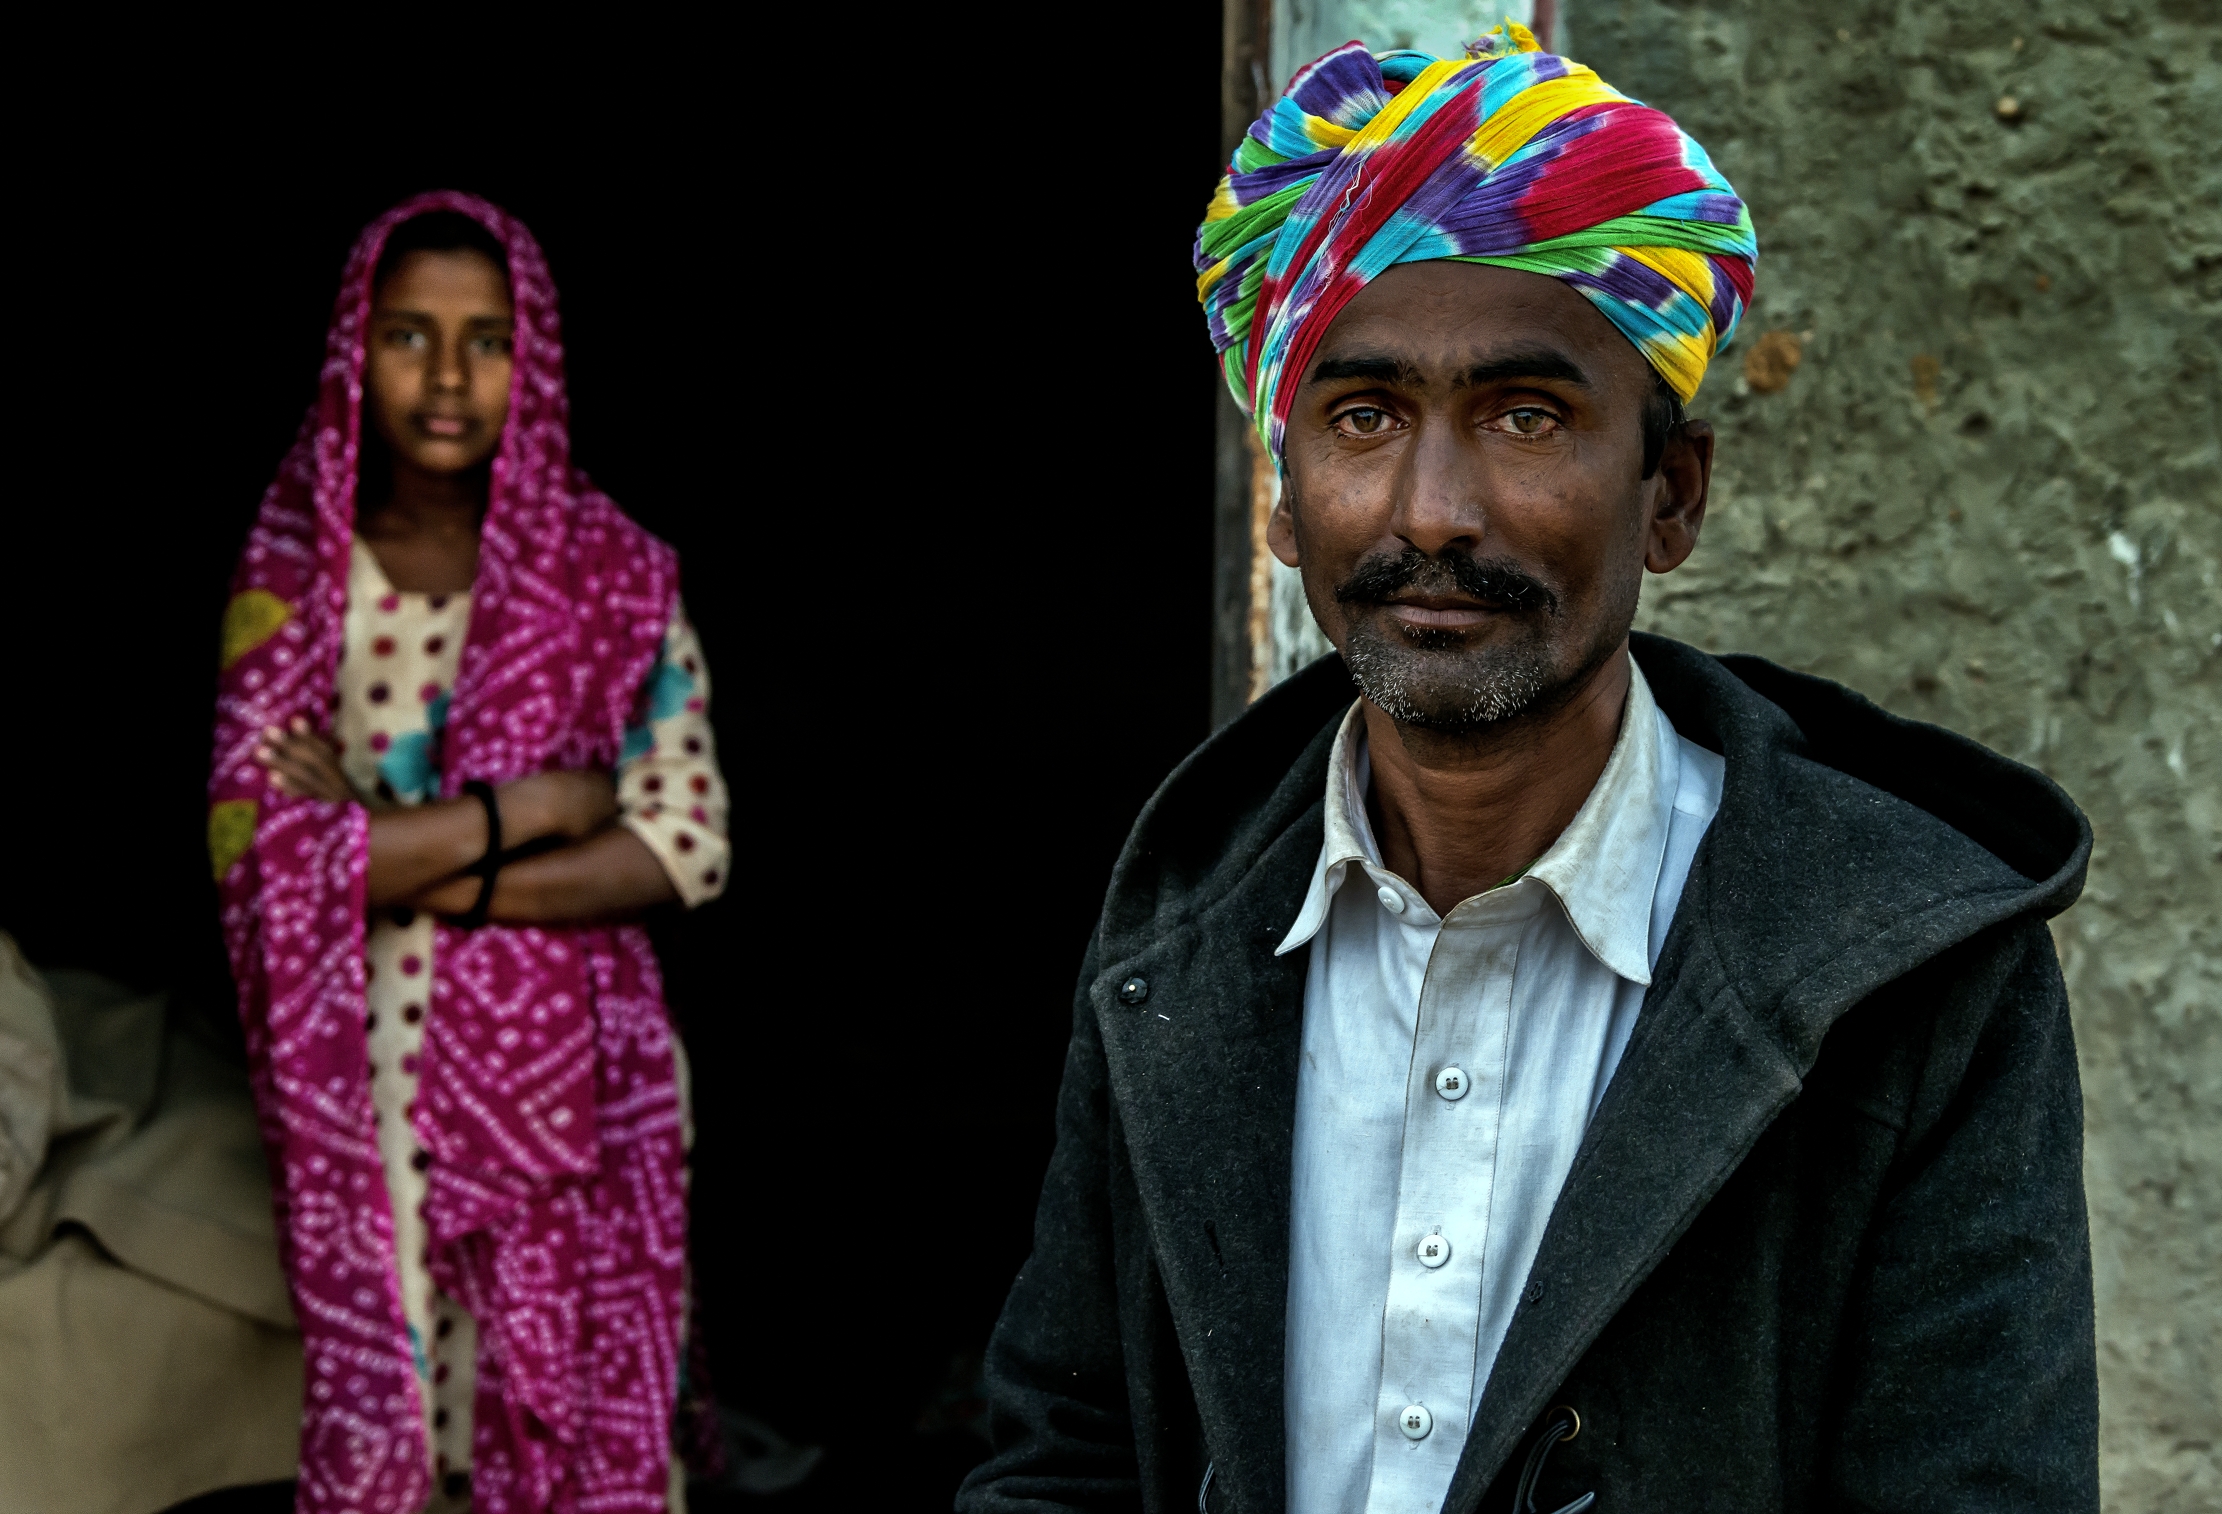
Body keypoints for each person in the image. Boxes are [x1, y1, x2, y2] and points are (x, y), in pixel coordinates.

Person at [959, 27, 2096, 1514]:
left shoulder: (1911, 973)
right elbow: (1065, 1459)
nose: (1431, 512)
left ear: (1669, 493)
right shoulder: (1179, 927)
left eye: (1525, 416)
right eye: (1361, 418)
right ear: (1284, 498)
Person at [211, 193, 729, 1514]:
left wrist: (381, 850)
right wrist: (538, 807)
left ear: (535, 356)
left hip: (579, 1088)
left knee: (564, 1437)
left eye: (486, 339)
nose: (448, 377)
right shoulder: (294, 574)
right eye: (408, 336)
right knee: (398, 1439)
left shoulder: (611, 571)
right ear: (353, 348)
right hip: (359, 1083)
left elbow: (683, 843)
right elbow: (261, 855)